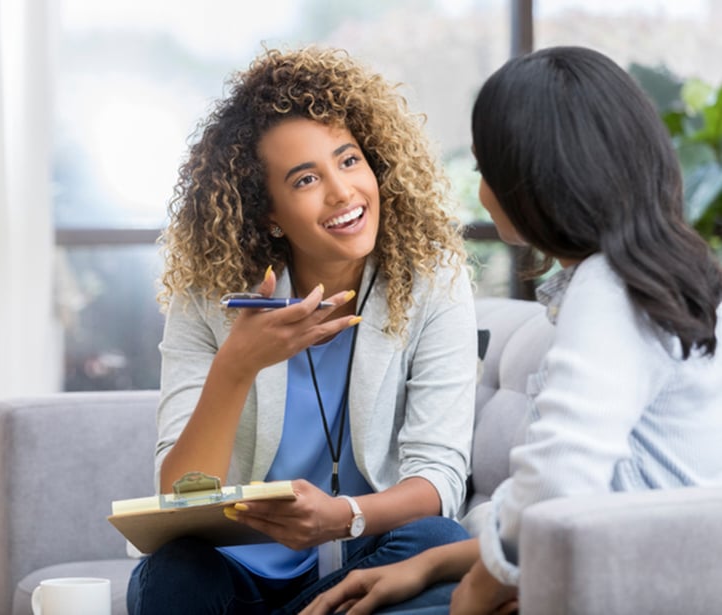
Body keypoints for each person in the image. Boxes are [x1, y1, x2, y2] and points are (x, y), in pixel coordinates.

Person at [301, 45, 722, 615]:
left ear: (534, 180)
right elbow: (600, 500)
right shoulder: (664, 276)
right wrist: (432, 564)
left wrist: (477, 589)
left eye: (484, 170)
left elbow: (556, 483)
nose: (481, 189)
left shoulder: (608, 289)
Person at [126, 46, 479, 614]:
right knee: (171, 576)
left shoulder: (433, 281)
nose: (342, 192)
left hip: (364, 562)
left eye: (348, 161)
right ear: (267, 212)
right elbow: (176, 499)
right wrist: (237, 366)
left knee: (439, 542)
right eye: (306, 178)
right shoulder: (210, 296)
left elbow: (439, 480)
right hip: (237, 574)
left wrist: (344, 517)